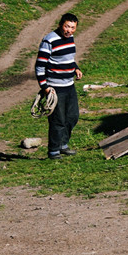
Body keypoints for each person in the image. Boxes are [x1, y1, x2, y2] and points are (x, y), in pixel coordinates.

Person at [35, 13, 83, 159]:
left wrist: (75, 68)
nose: (69, 30)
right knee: (58, 120)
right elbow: (40, 65)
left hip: (69, 85)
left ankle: (63, 144)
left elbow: (68, 58)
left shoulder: (70, 39)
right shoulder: (49, 40)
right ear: (60, 25)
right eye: (66, 26)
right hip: (55, 87)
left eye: (72, 28)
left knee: (73, 116)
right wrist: (45, 87)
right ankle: (53, 150)